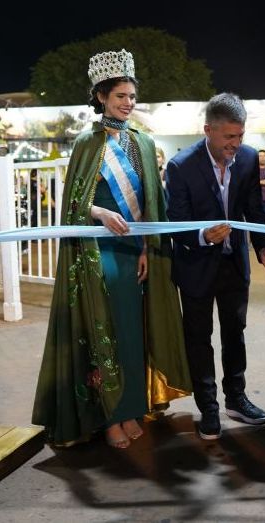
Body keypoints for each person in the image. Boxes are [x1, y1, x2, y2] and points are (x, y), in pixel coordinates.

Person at [32, 49, 192, 448]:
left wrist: (145, 249)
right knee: (107, 331)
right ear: (102, 95)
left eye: (132, 97)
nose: (128, 103)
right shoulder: (88, 143)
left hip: (134, 253)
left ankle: (132, 407)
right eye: (120, 95)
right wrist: (100, 211)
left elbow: (152, 204)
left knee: (133, 330)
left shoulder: (142, 142)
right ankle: (109, 417)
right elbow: (71, 204)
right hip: (96, 254)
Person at [166, 93, 265, 441]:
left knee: (235, 334)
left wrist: (264, 250)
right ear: (208, 130)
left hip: (234, 266)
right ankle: (209, 409)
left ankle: (236, 398)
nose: (236, 144)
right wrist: (203, 235)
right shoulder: (180, 166)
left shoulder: (249, 159)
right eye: (228, 137)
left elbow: (255, 210)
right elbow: (177, 221)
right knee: (199, 339)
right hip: (195, 268)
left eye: (240, 136)